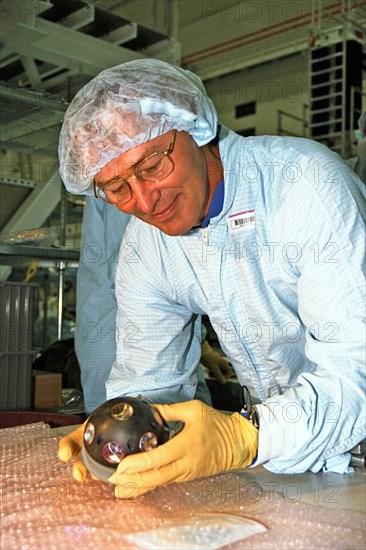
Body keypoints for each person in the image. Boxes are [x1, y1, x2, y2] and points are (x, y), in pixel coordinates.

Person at [58, 59, 365, 499]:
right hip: (291, 459)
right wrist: (118, 433)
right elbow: (148, 383)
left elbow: (358, 370)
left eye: (152, 165)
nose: (145, 201)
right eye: (117, 188)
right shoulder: (147, 247)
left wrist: (245, 437)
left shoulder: (305, 186)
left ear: (194, 126)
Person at [76, 196, 232, 414]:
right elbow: (150, 266)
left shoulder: (116, 185)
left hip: (129, 333)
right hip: (129, 341)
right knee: (143, 428)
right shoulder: (130, 191)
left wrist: (203, 346)